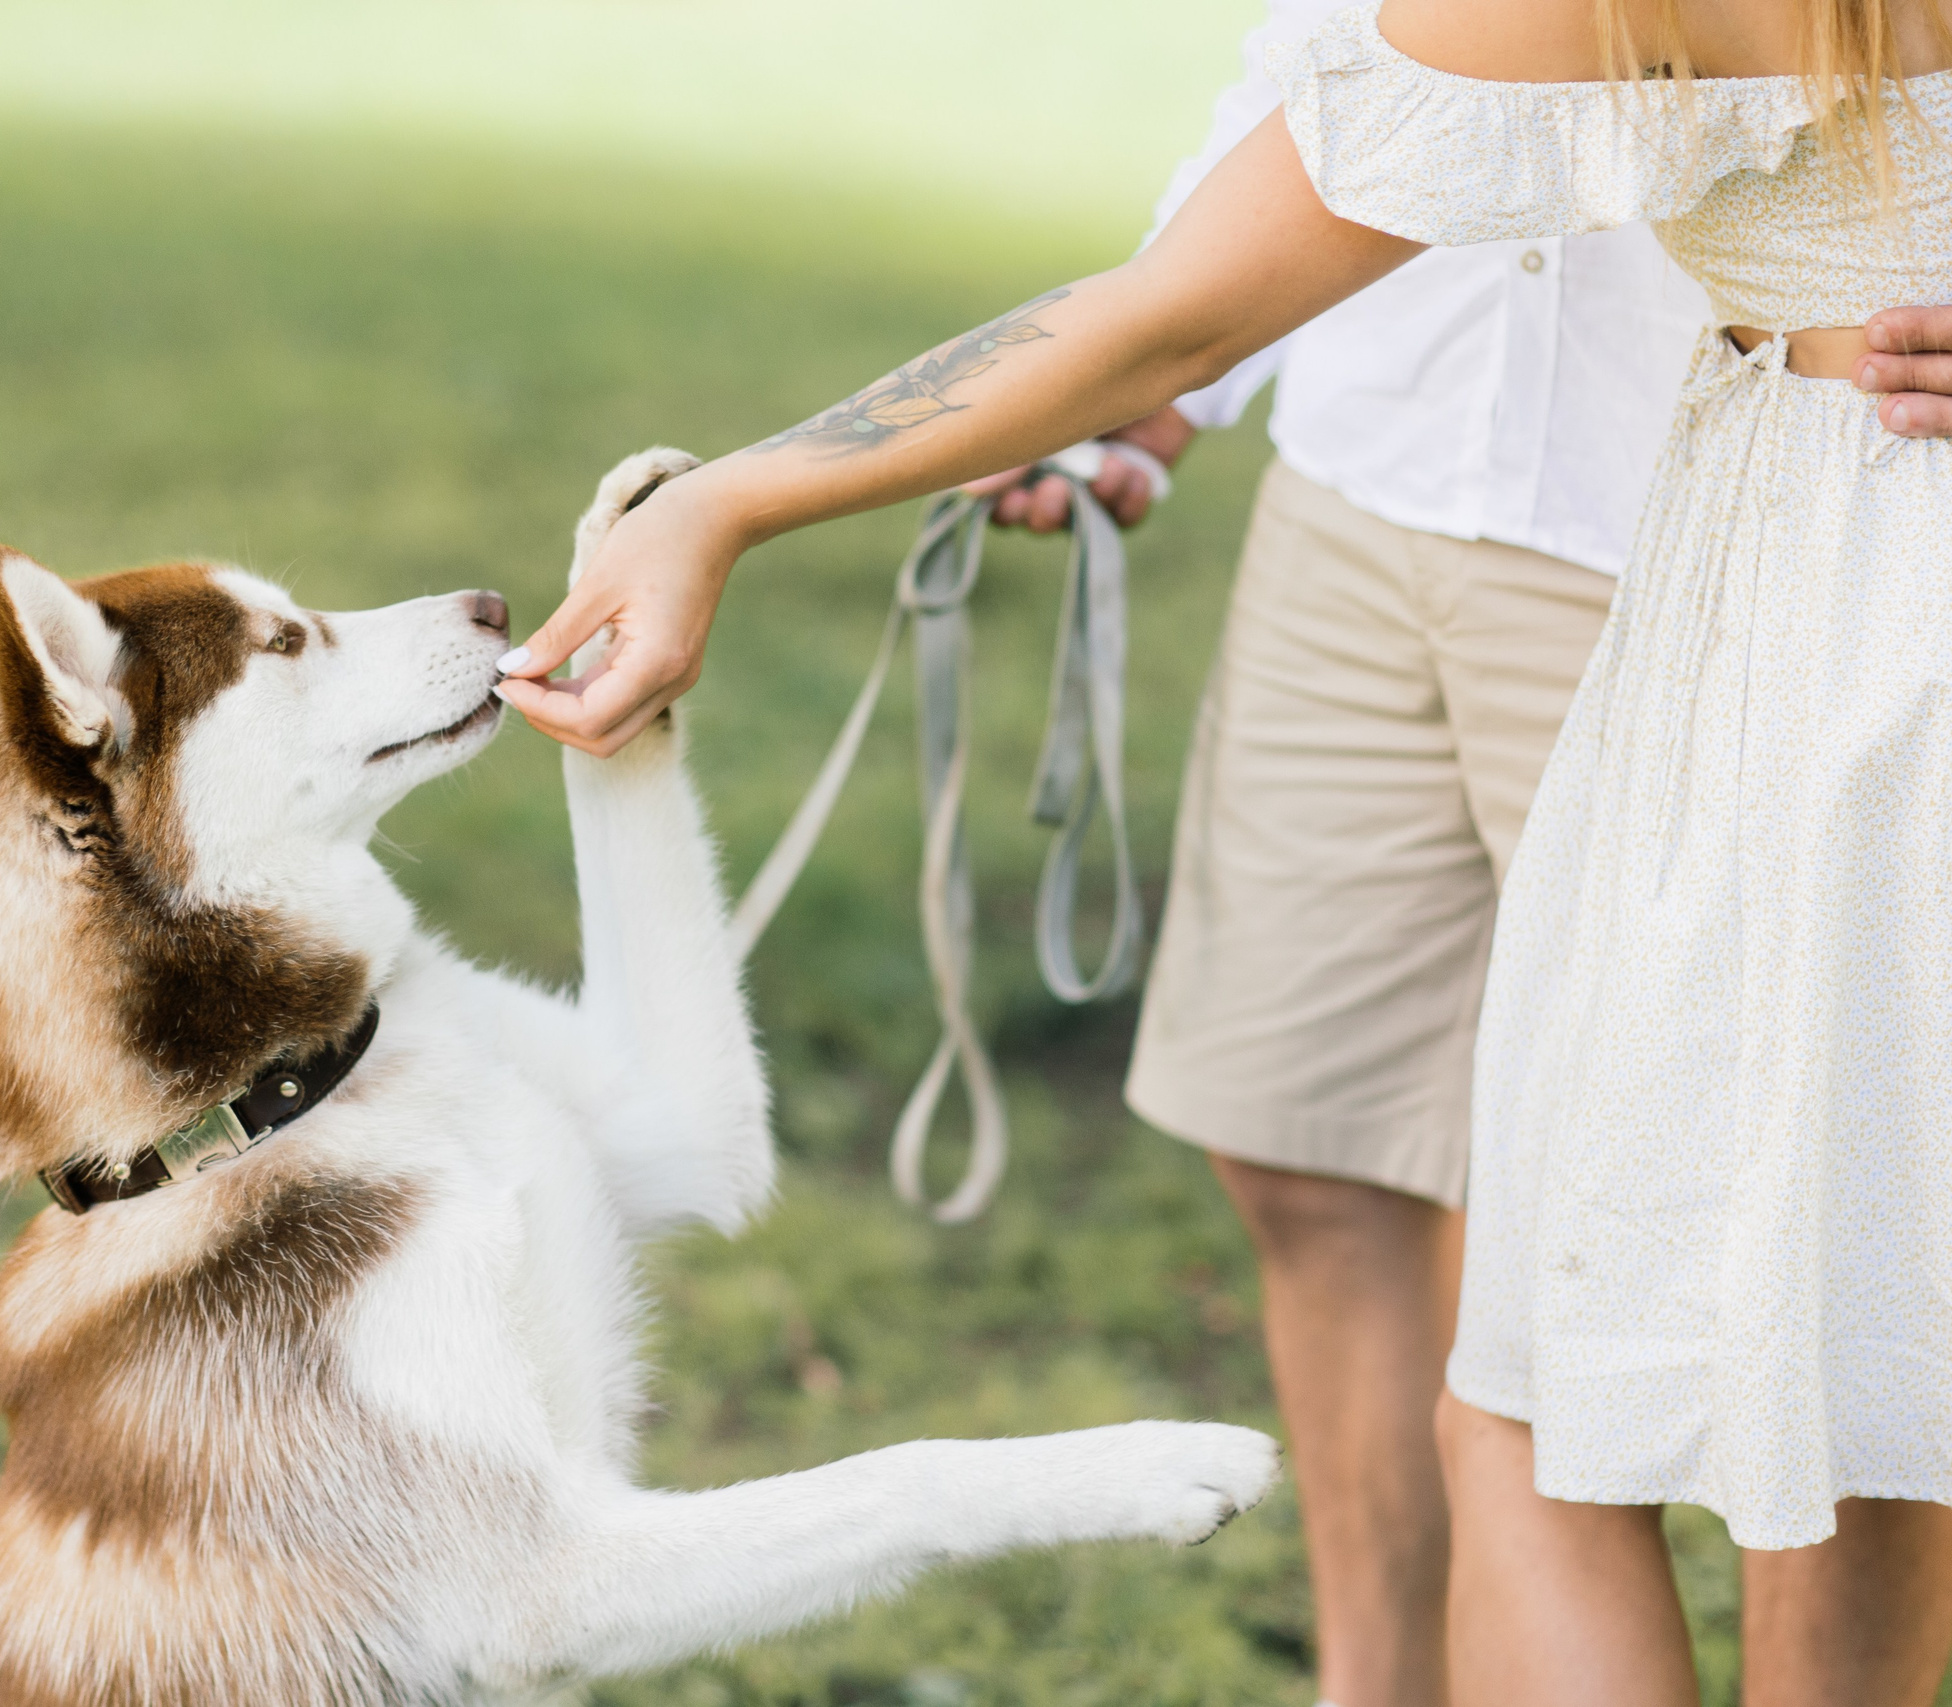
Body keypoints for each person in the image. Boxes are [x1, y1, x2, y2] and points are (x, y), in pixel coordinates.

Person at [492, 0, 1952, 1699]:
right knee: (1857, 1323)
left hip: (1828, 622)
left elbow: (1170, 315)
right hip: (1830, 591)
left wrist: (720, 502)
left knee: (1548, 1416)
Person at [958, 3, 1712, 1701]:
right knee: (1307, 1148)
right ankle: (1379, 1683)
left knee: (1588, 1247)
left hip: (1678, 528)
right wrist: (1164, 391)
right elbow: (1313, 72)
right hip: (1364, 483)